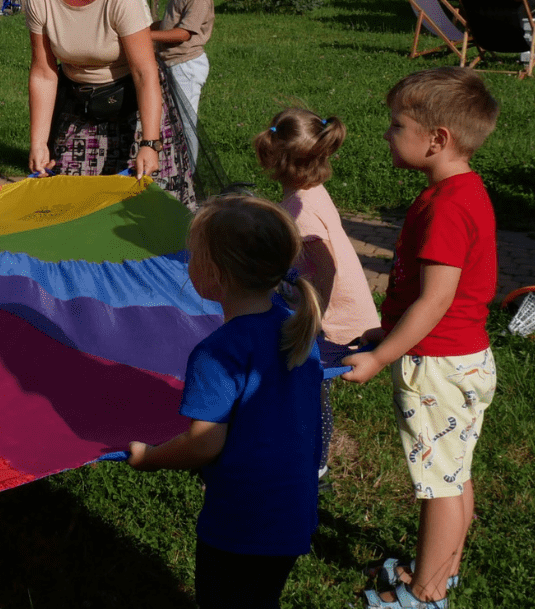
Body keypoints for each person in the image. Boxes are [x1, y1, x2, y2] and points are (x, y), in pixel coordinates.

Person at [341, 67, 500, 609]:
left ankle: (426, 596)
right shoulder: (463, 191)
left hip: (436, 365)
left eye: (396, 124)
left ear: (438, 139)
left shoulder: (448, 208)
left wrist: (382, 355)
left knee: (438, 486)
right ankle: (444, 571)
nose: (387, 133)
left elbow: (435, 300)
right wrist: (386, 328)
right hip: (466, 358)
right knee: (455, 472)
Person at [128, 194, 323, 609]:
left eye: (193, 254)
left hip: (242, 521)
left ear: (213, 275)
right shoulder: (299, 330)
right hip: (293, 512)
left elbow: (204, 443)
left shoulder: (218, 352)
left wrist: (150, 458)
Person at [25, 0, 196, 208]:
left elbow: (145, 71)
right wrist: (38, 142)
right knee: (75, 206)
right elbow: (44, 74)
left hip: (136, 104)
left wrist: (150, 142)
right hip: (82, 105)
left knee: (147, 210)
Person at [254, 109, 377, 480]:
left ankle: (314, 464)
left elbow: (327, 268)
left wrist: (313, 319)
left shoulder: (300, 210)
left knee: (306, 385)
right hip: (330, 314)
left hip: (332, 324)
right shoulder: (310, 193)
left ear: (274, 157)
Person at [151, 0, 214, 164]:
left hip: (185, 64)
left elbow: (183, 34)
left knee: (185, 122)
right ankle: (174, 167)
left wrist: (144, 37)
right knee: (170, 120)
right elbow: (170, 23)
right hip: (171, 62)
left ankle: (189, 176)